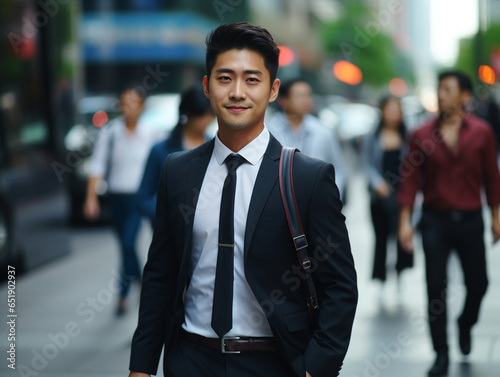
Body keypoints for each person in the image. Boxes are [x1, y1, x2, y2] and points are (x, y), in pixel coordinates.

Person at [128, 22, 357, 377]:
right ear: (206, 86)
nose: (237, 92)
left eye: (252, 79)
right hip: (190, 358)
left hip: (274, 362)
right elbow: (161, 274)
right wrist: (141, 366)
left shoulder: (306, 176)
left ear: (272, 90)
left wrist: (316, 368)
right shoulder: (178, 170)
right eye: (224, 78)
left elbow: (340, 285)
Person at [397, 70, 500, 376]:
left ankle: (465, 323)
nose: (441, 94)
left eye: (448, 89)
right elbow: (409, 180)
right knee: (435, 289)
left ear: (464, 96)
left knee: (479, 283)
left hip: (470, 220)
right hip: (434, 222)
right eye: (440, 89)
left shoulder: (482, 132)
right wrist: (405, 222)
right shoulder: (421, 134)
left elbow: (492, 180)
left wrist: (496, 217)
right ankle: (441, 352)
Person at [83, 85, 162, 316]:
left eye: (133, 101)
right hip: (116, 198)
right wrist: (91, 198)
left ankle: (123, 296)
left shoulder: (151, 135)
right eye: (124, 101)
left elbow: (160, 167)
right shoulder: (111, 133)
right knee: (125, 248)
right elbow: (97, 166)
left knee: (128, 244)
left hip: (138, 199)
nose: (128, 106)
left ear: (142, 106)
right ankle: (138, 281)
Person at [137, 84, 214, 223]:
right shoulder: (161, 151)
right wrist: (168, 216)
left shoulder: (216, 148)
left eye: (210, 115)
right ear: (187, 114)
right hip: (171, 234)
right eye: (202, 115)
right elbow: (143, 197)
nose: (207, 120)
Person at [361, 96, 413, 285]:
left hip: (403, 193)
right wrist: (377, 183)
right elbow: (365, 163)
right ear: (382, 111)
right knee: (381, 235)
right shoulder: (372, 136)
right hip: (379, 195)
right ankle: (380, 275)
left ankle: (401, 268)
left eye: (397, 110)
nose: (393, 114)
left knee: (401, 232)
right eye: (389, 109)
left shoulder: (408, 135)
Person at [266, 78, 347, 200]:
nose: (306, 100)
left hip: (318, 201)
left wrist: (334, 196)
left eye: (308, 95)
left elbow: (338, 168)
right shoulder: (269, 131)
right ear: (283, 100)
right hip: (280, 201)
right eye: (300, 96)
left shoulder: (324, 131)